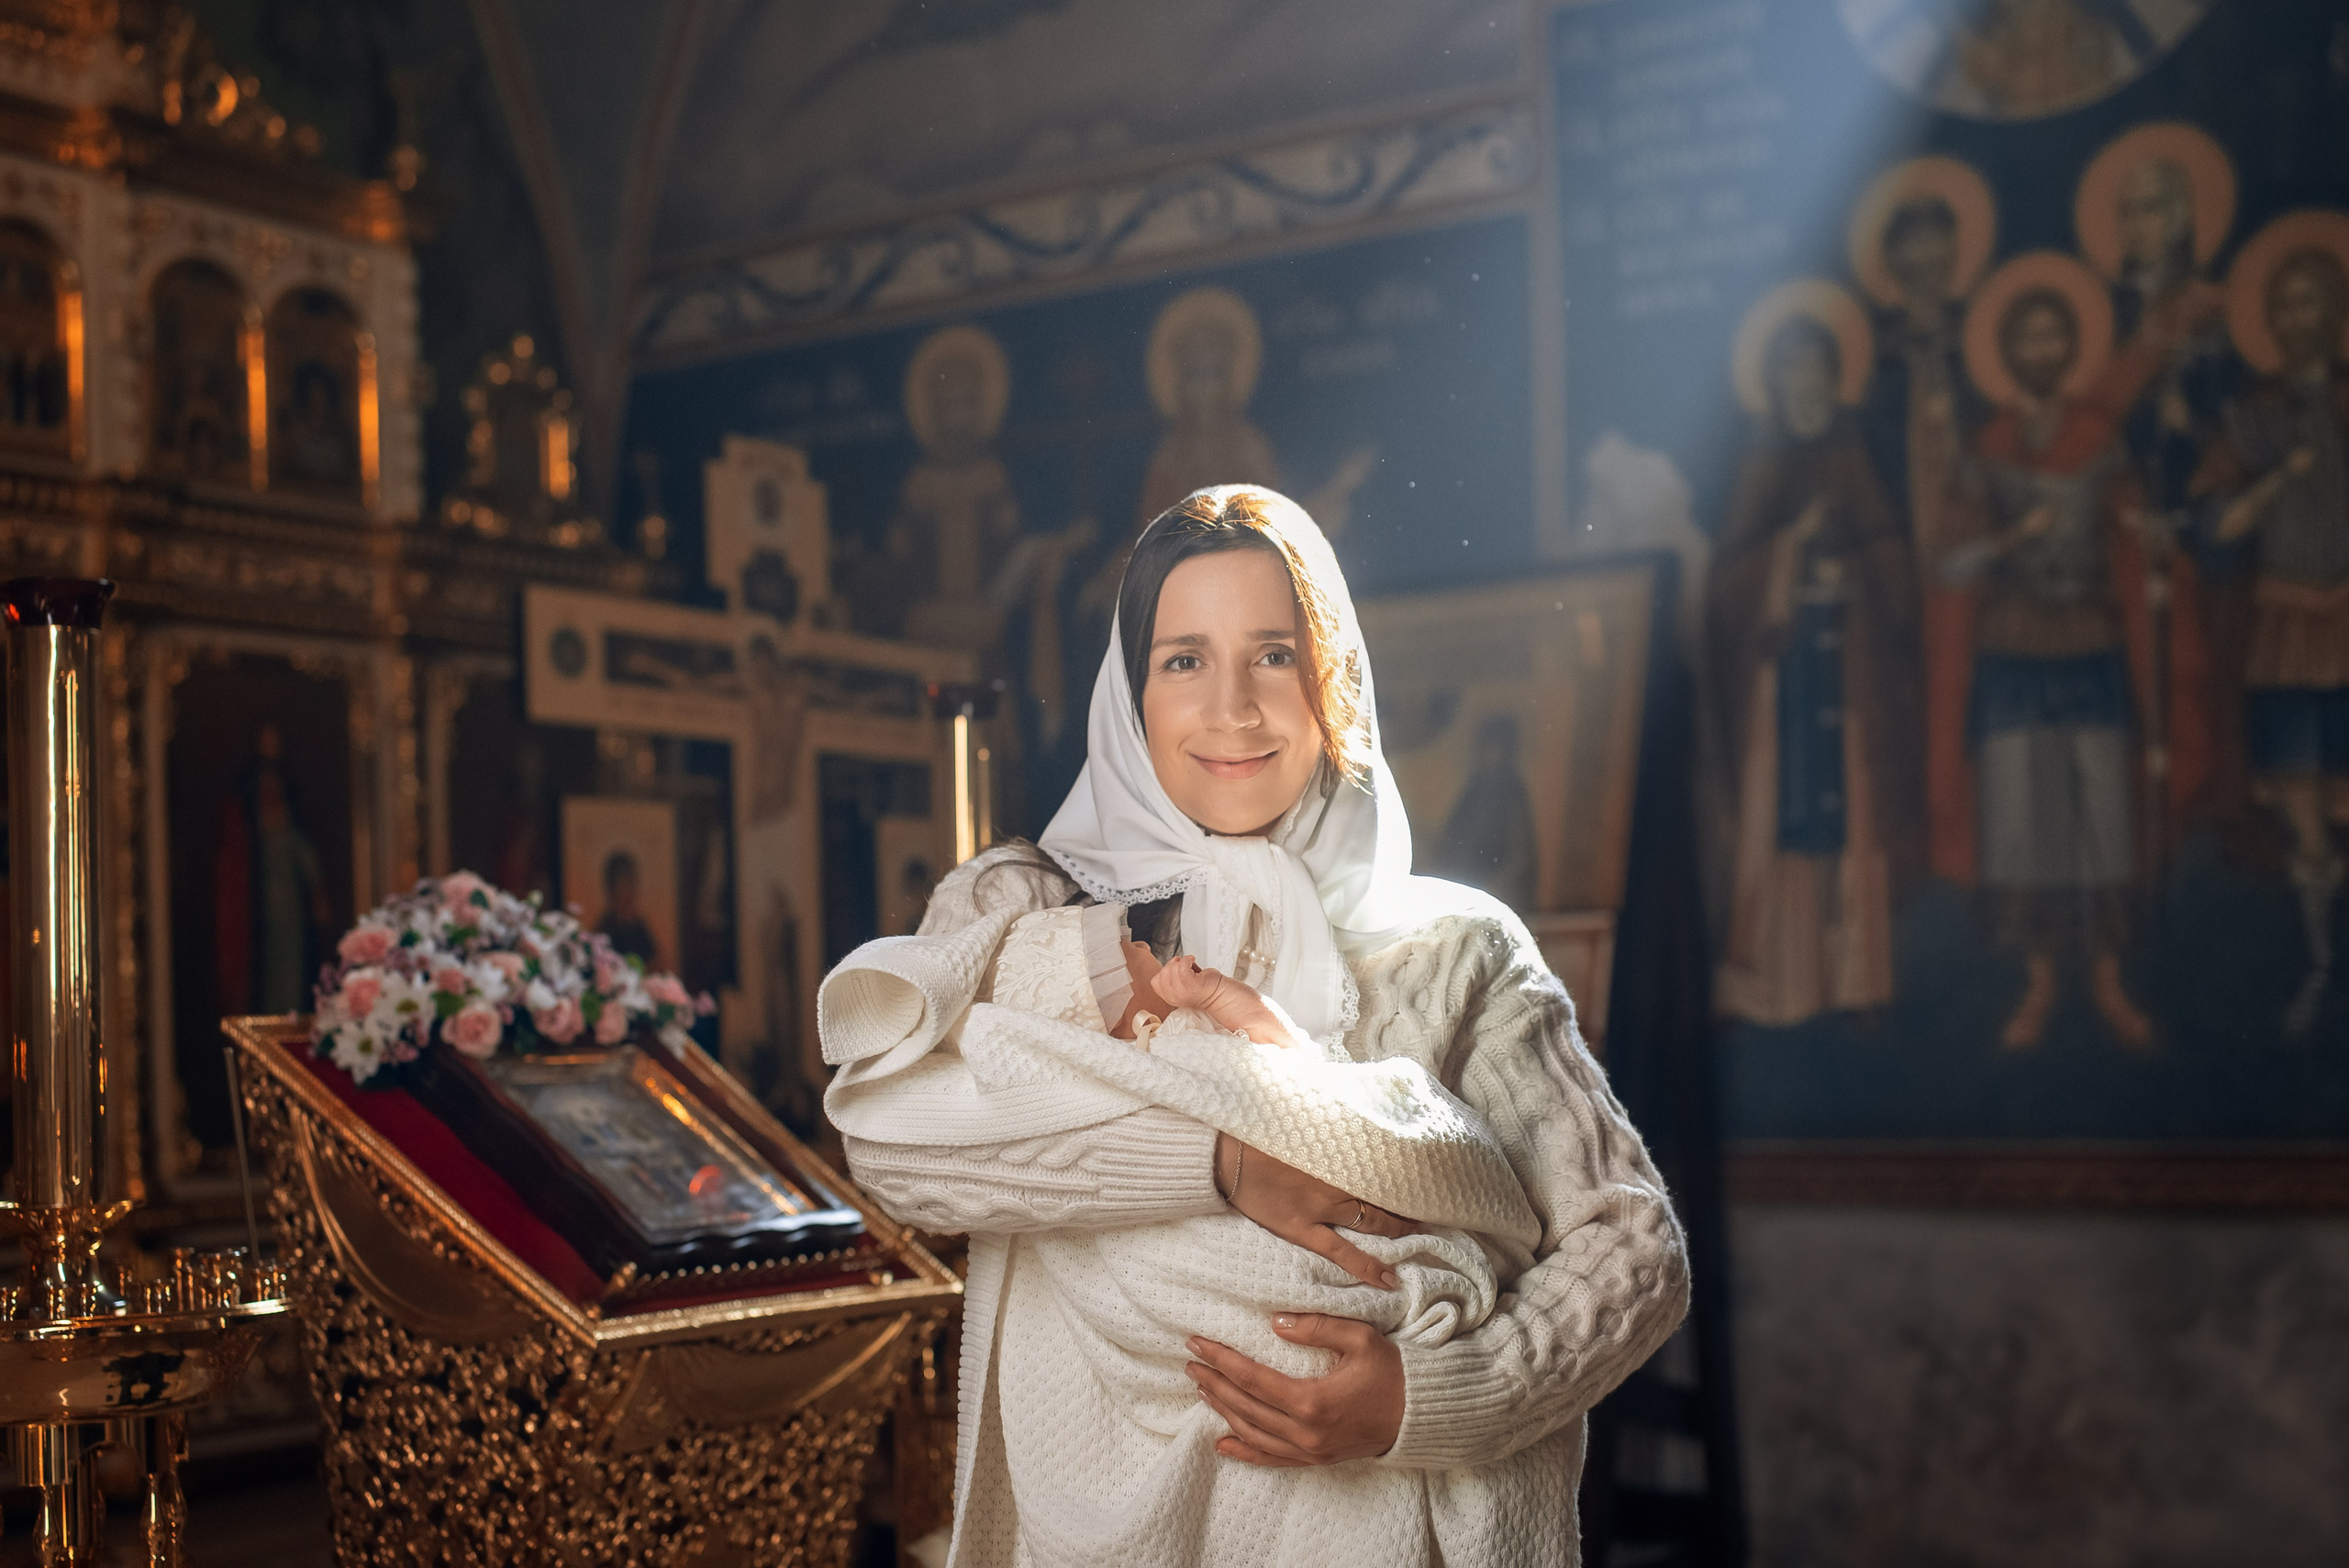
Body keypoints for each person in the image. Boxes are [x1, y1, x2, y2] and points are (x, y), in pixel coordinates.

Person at [820, 486, 1687, 1567]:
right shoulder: (1027, 908)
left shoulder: (1456, 945)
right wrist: (1222, 1158)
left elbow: (1635, 1245)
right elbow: (890, 1145)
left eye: (1273, 654)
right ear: (1129, 695)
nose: (1232, 705)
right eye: (1184, 659)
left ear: (1335, 685)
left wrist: (1426, 1397)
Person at [1941, 263, 2210, 1051]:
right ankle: (2039, 978)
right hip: (2013, 651)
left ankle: (2106, 978)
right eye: (2027, 335)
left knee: (2100, 812)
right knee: (2025, 817)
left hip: (2090, 643)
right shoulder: (1984, 450)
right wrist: (2001, 543)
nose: (2041, 346)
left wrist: (2152, 539)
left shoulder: (2103, 443)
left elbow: (2135, 528)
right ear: (2008, 351)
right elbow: (1950, 565)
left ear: (2069, 346)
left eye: (2053, 332)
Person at [1710, 310, 1922, 1026]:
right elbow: (1731, 582)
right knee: (1787, 822)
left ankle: (1855, 979)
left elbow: (1893, 553)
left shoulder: (1854, 454)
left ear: (1836, 379)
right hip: (1783, 676)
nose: (1806, 383)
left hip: (1850, 667)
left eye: (1817, 368)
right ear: (1773, 383)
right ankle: (1786, 977)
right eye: (1791, 369)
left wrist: (1859, 572)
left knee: (1850, 819)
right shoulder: (1760, 464)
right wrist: (1790, 551)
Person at [2191, 239, 2349, 1033]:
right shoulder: (2251, 418)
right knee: (2303, 806)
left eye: (2311, 301)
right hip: (2285, 629)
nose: (2297, 318)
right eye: (2284, 305)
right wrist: (2274, 479)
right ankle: (2322, 964)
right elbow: (2214, 525)